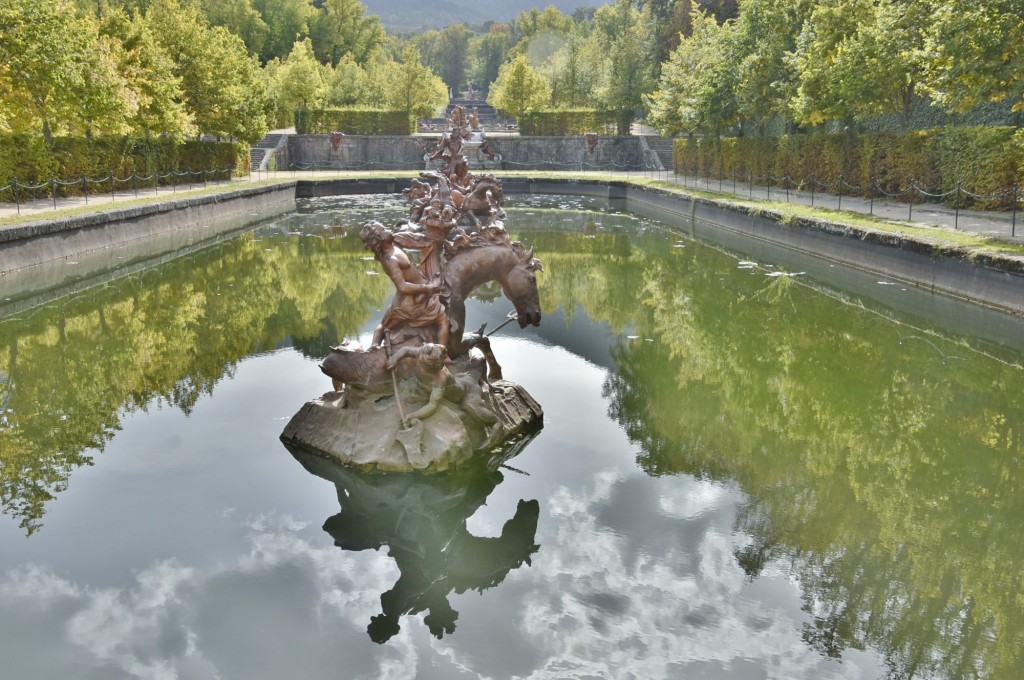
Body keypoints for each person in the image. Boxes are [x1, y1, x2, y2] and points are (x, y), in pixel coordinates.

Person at [360, 221, 449, 348]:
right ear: (379, 238)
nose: (388, 230)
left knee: (383, 325)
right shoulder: (390, 259)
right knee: (443, 321)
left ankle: (374, 344)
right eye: (384, 229)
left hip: (415, 293)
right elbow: (402, 286)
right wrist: (427, 288)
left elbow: (413, 241)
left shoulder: (392, 246)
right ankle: (443, 355)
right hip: (412, 298)